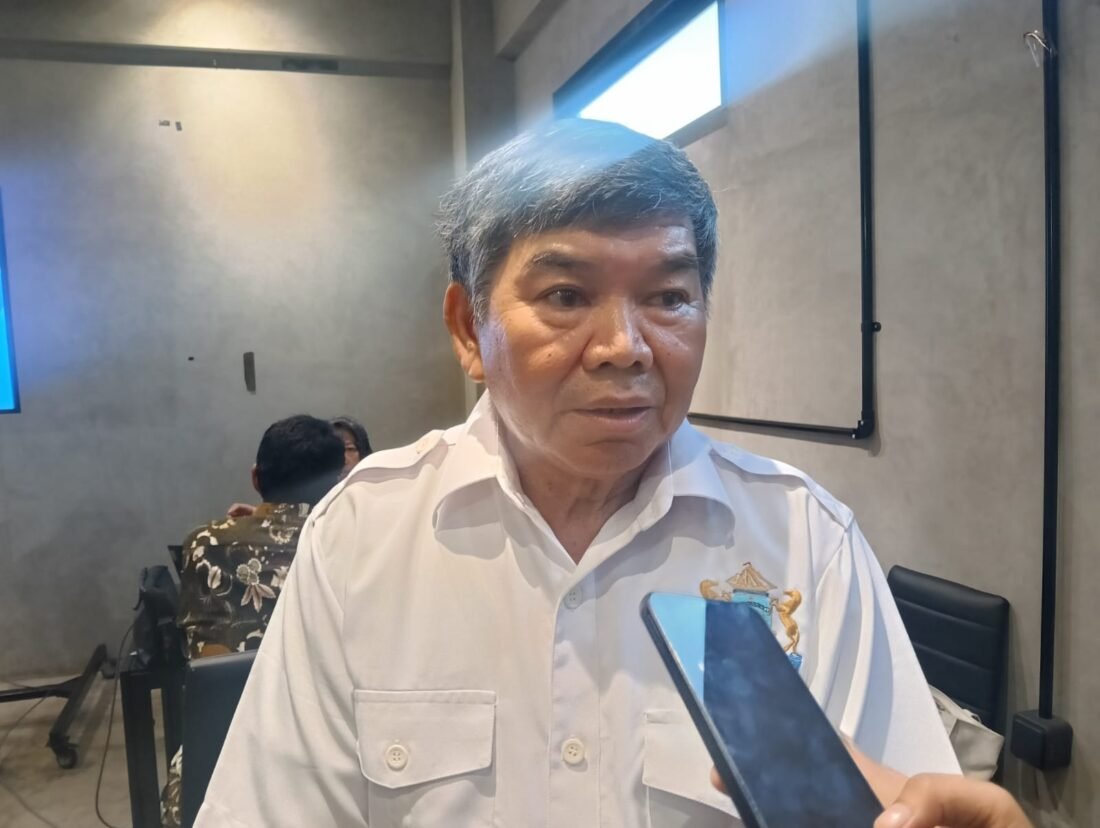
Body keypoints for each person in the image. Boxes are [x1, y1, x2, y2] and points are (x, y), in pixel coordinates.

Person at [194, 120, 1032, 827]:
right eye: (565, 295)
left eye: (668, 297)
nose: (625, 347)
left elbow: (905, 800)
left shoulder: (807, 543)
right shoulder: (365, 537)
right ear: (468, 329)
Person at [161, 415, 345, 828]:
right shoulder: (354, 538)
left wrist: (247, 525)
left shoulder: (205, 543)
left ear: (256, 478)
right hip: (332, 760)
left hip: (218, 763)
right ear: (338, 481)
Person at [225, 416, 370, 517]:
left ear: (255, 478)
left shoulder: (214, 540)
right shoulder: (344, 540)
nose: (345, 459)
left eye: (350, 449)